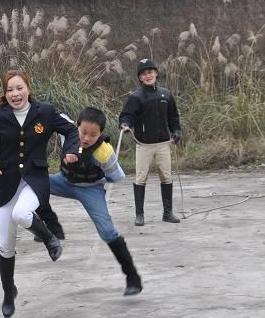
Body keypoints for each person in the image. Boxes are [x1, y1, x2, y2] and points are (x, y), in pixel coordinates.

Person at [0, 70, 80, 318]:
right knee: (5, 244)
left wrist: (70, 151)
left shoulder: (46, 111)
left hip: (35, 179)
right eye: (9, 90)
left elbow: (71, 131)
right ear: (5, 93)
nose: (15, 94)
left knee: (22, 214)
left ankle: (49, 238)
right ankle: (9, 292)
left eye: (19, 88)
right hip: (7, 182)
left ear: (28, 89)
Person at [49, 107, 143, 296]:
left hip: (91, 190)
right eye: (83, 132)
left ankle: (133, 277)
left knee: (107, 231)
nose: (86, 138)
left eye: (93, 135)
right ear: (76, 127)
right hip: (64, 181)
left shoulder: (104, 152)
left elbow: (117, 176)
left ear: (100, 134)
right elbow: (51, 113)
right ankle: (49, 227)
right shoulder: (68, 131)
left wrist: (97, 182)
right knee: (33, 183)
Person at [119, 58, 183, 225]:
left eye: (150, 72)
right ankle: (139, 215)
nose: (148, 76)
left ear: (156, 73)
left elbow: (173, 117)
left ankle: (167, 213)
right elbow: (126, 115)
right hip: (144, 144)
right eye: (144, 73)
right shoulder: (136, 97)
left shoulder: (166, 94)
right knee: (141, 178)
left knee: (166, 177)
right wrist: (125, 125)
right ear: (140, 78)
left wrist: (176, 131)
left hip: (163, 143)